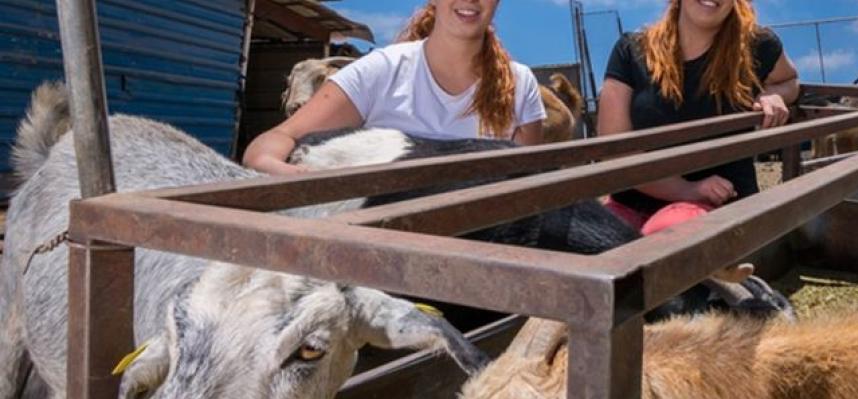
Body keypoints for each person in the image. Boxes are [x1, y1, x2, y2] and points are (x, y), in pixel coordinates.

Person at [243, 0, 546, 175]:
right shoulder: (382, 71)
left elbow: (524, 186)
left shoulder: (520, 85)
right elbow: (278, 138)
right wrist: (284, 172)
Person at [598, 0, 799, 228]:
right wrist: (687, 190)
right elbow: (614, 151)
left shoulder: (756, 46)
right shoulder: (631, 51)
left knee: (670, 229)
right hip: (631, 204)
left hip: (717, 204)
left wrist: (771, 94)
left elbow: (790, 81)